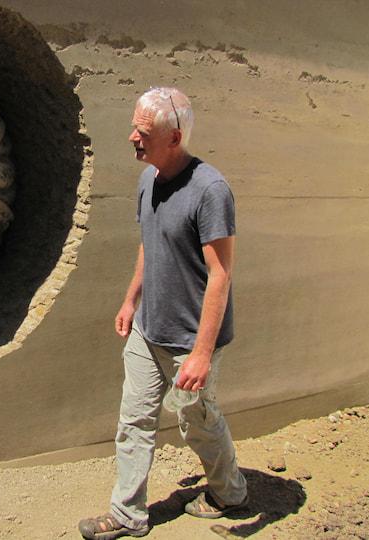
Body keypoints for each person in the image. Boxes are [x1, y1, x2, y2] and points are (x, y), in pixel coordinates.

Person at [78, 87, 248, 540]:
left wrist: (201, 354)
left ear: (174, 137)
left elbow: (221, 275)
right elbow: (149, 244)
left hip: (189, 343)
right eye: (134, 126)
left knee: (199, 423)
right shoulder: (148, 177)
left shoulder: (210, 190)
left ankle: (230, 492)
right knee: (133, 420)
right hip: (148, 331)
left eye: (143, 131)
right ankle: (127, 514)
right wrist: (131, 299)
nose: (133, 137)